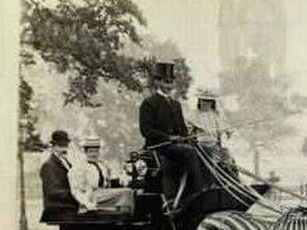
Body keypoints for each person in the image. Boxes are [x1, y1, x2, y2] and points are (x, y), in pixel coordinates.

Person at [139, 61, 205, 207]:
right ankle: (198, 191)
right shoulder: (149, 103)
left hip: (175, 146)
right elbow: (146, 130)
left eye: (171, 82)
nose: (169, 86)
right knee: (189, 152)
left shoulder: (176, 105)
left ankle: (202, 188)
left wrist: (190, 138)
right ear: (157, 82)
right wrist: (168, 137)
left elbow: (182, 129)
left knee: (201, 149)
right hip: (159, 146)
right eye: (166, 82)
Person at [68, 137, 133, 214]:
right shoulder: (80, 167)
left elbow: (106, 182)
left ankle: (124, 214)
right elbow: (76, 190)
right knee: (126, 192)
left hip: (102, 193)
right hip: (90, 195)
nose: (94, 154)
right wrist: (86, 203)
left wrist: (123, 180)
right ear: (85, 152)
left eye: (96, 151)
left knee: (128, 191)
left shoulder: (101, 165)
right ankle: (123, 215)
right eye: (91, 151)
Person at [39, 130, 78, 221]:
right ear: (53, 147)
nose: (64, 149)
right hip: (58, 208)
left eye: (66, 145)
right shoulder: (49, 165)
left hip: (67, 206)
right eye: (60, 146)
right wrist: (76, 194)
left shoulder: (66, 162)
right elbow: (53, 192)